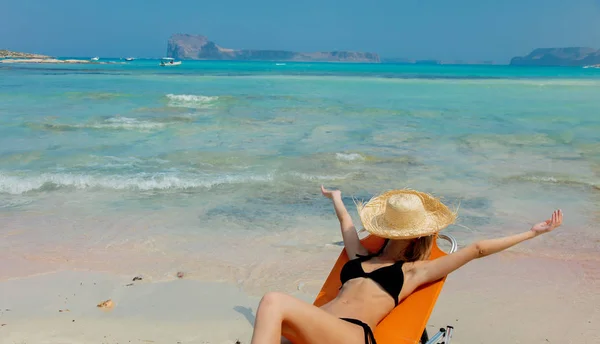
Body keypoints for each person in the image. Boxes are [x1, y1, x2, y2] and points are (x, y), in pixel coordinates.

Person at [250, 186, 563, 344]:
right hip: (318, 329)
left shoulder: (412, 272)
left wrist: (533, 233)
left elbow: (477, 249)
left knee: (273, 300)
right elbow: (346, 223)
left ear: (414, 237)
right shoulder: (361, 256)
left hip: (352, 337)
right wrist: (336, 197)